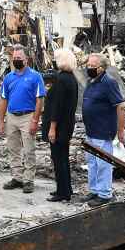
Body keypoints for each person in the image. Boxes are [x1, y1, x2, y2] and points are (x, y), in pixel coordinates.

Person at [0, 45, 46, 194]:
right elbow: (3, 100)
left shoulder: (35, 76)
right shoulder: (8, 78)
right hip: (12, 116)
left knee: (29, 149)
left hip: (28, 116)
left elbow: (40, 100)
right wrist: (1, 120)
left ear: (26, 60)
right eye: (14, 58)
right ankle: (17, 177)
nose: (16, 60)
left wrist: (35, 120)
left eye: (19, 58)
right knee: (13, 149)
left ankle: (28, 180)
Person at [82, 53, 125, 207]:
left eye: (92, 67)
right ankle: (94, 190)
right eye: (88, 65)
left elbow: (120, 106)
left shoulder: (109, 83)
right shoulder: (91, 81)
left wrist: (121, 130)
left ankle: (105, 193)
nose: (89, 68)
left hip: (103, 131)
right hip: (91, 130)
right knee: (92, 162)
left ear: (101, 68)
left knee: (103, 163)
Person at [43, 49, 79, 202]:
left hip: (59, 127)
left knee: (59, 159)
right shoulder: (71, 78)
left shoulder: (61, 79)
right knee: (63, 157)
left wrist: (52, 128)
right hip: (66, 125)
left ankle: (63, 192)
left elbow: (57, 106)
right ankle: (65, 188)